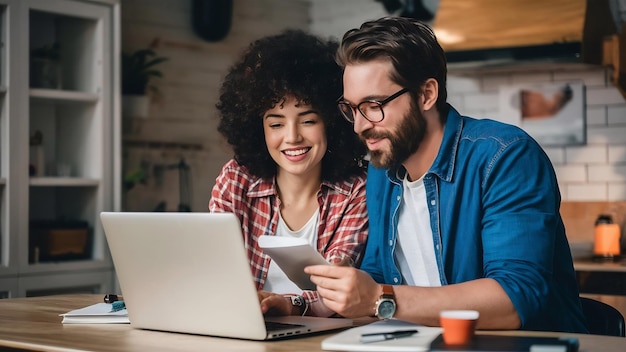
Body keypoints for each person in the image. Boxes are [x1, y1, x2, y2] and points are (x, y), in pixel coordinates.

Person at [304, 16, 588, 333]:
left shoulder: (505, 156)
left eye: (373, 105)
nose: (359, 125)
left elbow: (516, 298)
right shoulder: (382, 171)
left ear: (426, 94)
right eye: (352, 108)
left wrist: (377, 298)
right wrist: (310, 300)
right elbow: (379, 275)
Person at [209, 30, 368, 317]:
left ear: (332, 123)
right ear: (259, 129)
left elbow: (334, 288)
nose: (292, 137)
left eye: (307, 120)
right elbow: (215, 264)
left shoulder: (356, 190)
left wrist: (289, 305)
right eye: (276, 124)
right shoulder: (237, 179)